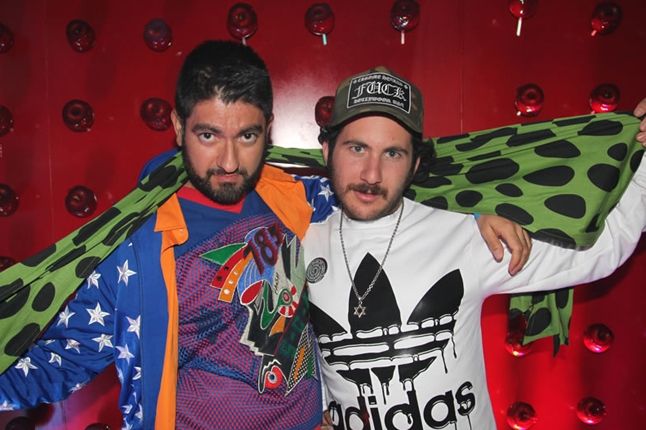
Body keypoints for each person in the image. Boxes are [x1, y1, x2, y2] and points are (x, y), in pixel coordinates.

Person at [0, 41, 528, 430]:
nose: (229, 161)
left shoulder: (296, 198)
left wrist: (471, 212)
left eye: (247, 136)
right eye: (208, 135)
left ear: (268, 128)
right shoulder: (135, 247)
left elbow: (381, 181)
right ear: (179, 128)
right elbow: (60, 359)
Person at [305, 66, 646, 430]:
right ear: (327, 150)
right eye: (357, 148)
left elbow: (599, 251)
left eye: (392, 154)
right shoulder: (302, 246)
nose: (371, 174)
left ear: (415, 164)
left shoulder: (463, 233)